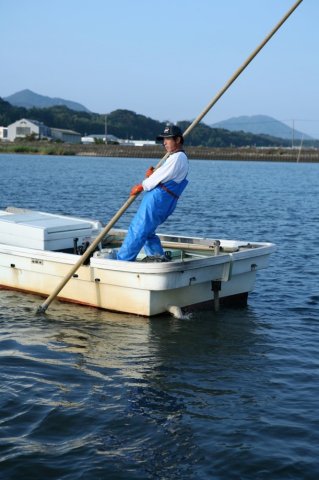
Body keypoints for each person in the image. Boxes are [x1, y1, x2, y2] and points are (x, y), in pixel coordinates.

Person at [116, 125, 189, 262]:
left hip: (158, 200)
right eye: (163, 140)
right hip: (163, 201)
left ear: (178, 139)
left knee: (138, 229)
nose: (164, 143)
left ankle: (122, 261)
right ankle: (158, 259)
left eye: (168, 139)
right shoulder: (176, 158)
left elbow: (160, 176)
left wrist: (141, 185)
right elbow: (164, 175)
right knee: (148, 233)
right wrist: (154, 174)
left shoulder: (178, 157)